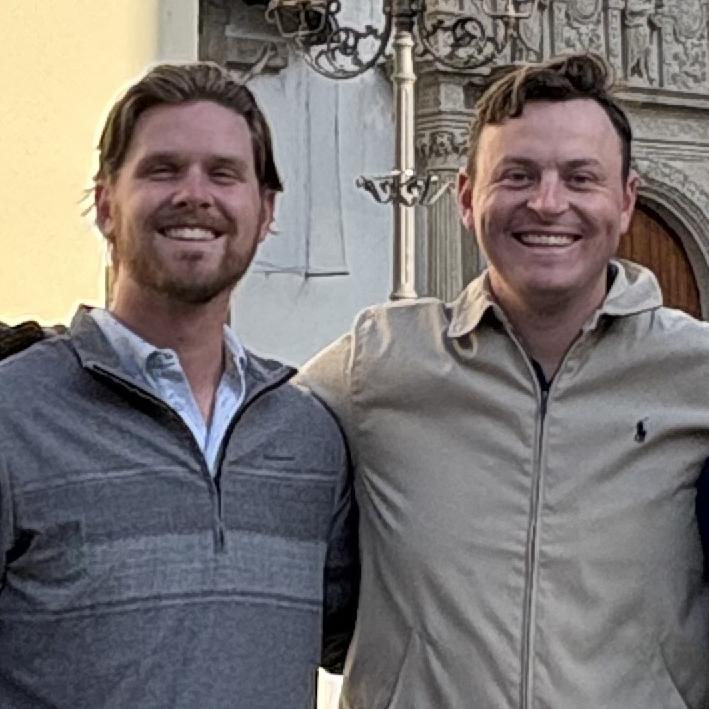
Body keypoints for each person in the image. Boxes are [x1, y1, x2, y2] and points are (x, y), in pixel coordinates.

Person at [299, 53, 709, 707]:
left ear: (626, 200)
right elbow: (243, 440)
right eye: (517, 175)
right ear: (466, 196)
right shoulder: (381, 361)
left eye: (580, 177)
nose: (547, 203)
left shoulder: (695, 371)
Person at [0, 62, 357, 709]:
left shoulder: (310, 438)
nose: (194, 193)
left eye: (223, 173)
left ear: (265, 211)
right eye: (163, 170)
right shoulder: (13, 413)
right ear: (106, 204)